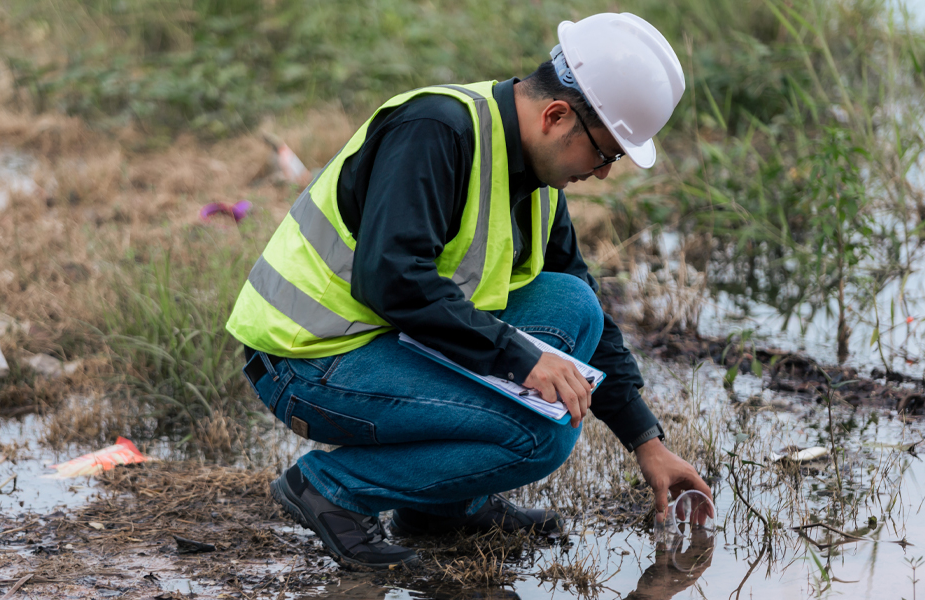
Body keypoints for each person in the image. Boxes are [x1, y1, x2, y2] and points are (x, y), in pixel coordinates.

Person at [226, 12, 712, 570]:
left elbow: (583, 299)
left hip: (385, 339)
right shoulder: (435, 130)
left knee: (574, 305)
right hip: (307, 361)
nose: (603, 172)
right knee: (538, 436)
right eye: (605, 154)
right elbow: (393, 279)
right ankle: (331, 488)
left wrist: (646, 441)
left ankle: (442, 508)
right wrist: (522, 358)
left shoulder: (539, 176)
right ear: (556, 116)